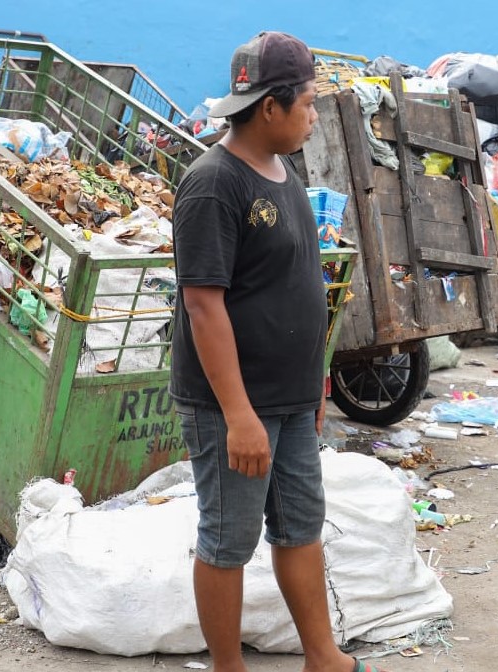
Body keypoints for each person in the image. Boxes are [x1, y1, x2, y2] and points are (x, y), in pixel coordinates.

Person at [169, 32, 388, 672]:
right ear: (270, 106)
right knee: (228, 539)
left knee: (300, 527)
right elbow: (203, 306)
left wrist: (313, 387)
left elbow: (293, 287)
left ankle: (323, 657)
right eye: (309, 102)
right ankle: (228, 668)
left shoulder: (282, 171)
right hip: (235, 406)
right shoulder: (213, 184)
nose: (314, 115)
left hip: (290, 401)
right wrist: (239, 415)